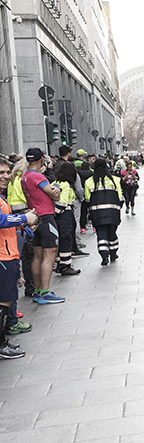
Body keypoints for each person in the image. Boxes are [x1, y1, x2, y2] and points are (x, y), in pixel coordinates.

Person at [0, 157, 36, 358]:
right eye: (1, 173)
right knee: (4, 302)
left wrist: (21, 224)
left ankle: (3, 341)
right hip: (2, 257)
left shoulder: (2, 196)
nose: (6, 176)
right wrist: (24, 218)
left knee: (6, 300)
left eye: (7, 172)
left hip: (8, 255)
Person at [20, 148, 64, 305]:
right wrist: (57, 188)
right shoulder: (37, 176)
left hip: (35, 217)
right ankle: (45, 292)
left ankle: (38, 291)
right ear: (41, 160)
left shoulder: (24, 176)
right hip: (46, 217)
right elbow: (54, 194)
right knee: (50, 253)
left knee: (37, 255)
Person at [87, 158, 123, 266]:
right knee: (112, 233)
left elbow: (87, 200)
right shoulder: (115, 180)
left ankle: (104, 256)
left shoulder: (89, 182)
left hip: (97, 213)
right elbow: (120, 198)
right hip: (113, 212)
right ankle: (113, 253)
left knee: (101, 234)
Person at [52, 161, 81, 277]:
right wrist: (57, 213)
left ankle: (60, 263)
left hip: (55, 216)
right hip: (65, 215)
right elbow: (62, 203)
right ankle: (66, 266)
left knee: (60, 241)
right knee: (66, 240)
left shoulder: (54, 183)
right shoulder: (67, 186)